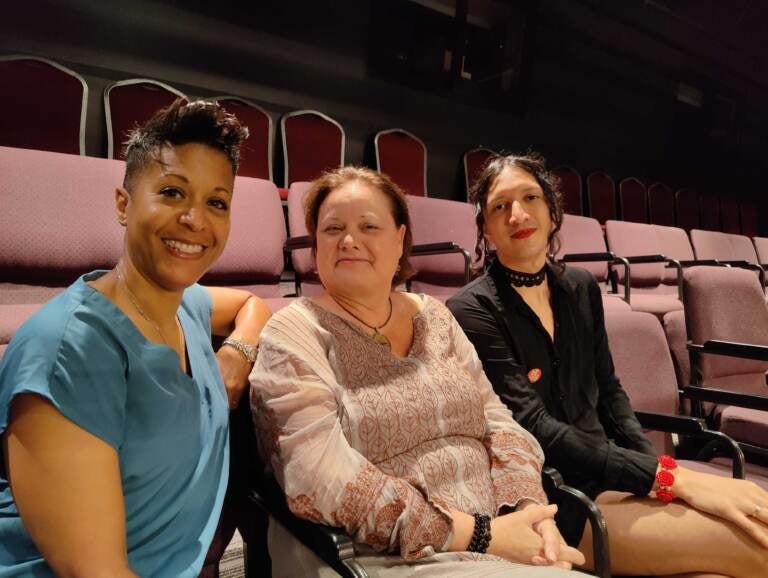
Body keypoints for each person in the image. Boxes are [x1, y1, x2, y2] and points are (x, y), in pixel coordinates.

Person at [250, 166, 588, 577]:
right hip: (381, 557)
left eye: (369, 226)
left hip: (499, 540)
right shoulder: (294, 331)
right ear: (315, 246)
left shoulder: (436, 316)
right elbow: (320, 478)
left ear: (399, 240)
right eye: (332, 228)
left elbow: (498, 422)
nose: (349, 240)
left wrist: (532, 512)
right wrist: (480, 535)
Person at [446, 152, 768, 577]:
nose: (518, 214)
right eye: (500, 206)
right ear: (485, 227)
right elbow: (534, 424)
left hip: (616, 472)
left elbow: (610, 390)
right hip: (556, 498)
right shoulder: (471, 308)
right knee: (757, 547)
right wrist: (672, 480)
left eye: (530, 198)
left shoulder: (580, 286)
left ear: (553, 209)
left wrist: (656, 474)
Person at [0, 99, 272, 577]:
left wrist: (238, 351)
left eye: (216, 202)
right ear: (123, 204)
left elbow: (254, 304)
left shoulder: (186, 302)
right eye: (172, 193)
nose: (195, 220)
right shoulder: (71, 352)